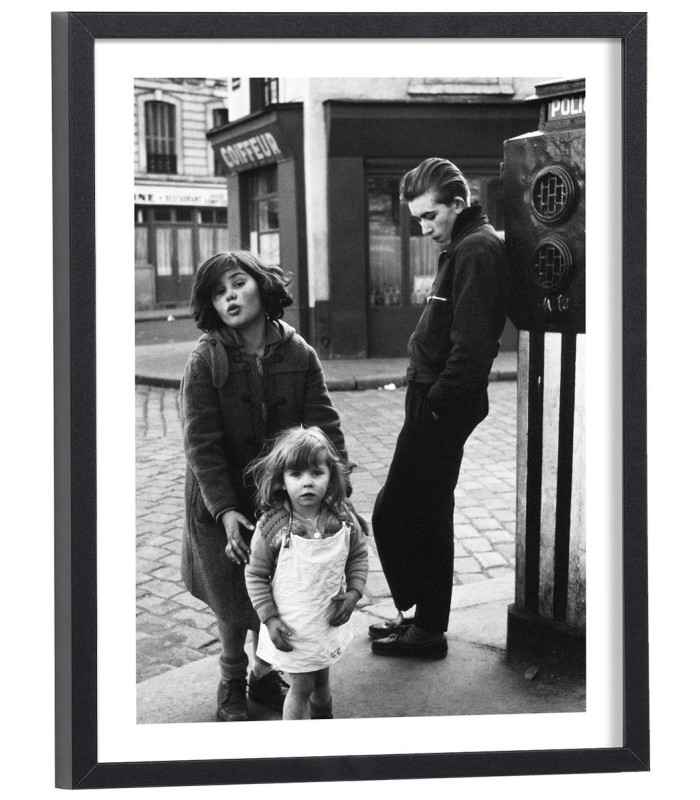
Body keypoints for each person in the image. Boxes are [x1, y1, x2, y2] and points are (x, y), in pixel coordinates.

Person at [180, 251, 349, 722]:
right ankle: (231, 678)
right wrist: (225, 509)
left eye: (237, 283)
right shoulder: (205, 359)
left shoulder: (300, 354)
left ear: (262, 285)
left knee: (278, 586)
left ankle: (262, 672)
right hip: (220, 501)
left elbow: (326, 431)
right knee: (231, 591)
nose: (229, 296)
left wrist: (341, 494)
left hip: (280, 499)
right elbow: (201, 443)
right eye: (218, 291)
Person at [370, 158, 510, 659]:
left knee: (398, 513)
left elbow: (473, 346)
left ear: (459, 203)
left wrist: (435, 405)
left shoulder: (476, 249)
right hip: (433, 396)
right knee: (424, 511)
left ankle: (426, 628)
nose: (425, 229)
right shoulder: (463, 245)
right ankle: (422, 620)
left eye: (431, 216)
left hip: (441, 401)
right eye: (418, 220)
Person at [244, 426, 368, 720]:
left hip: (325, 621)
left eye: (316, 473)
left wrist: (353, 594)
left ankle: (323, 725)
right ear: (281, 481)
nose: (307, 483)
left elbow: (358, 555)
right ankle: (297, 751)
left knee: (322, 680)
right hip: (292, 626)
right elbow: (256, 575)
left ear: (331, 475)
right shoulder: (273, 527)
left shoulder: (341, 517)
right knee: (302, 686)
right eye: (296, 475)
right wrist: (270, 619)